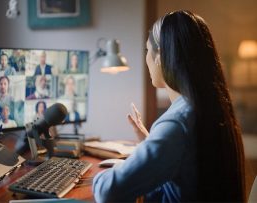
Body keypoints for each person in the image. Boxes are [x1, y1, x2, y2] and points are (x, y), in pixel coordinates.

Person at [92, 10, 246, 203]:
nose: (146, 58)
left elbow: (108, 191)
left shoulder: (177, 122)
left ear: (161, 55)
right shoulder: (209, 107)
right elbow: (187, 164)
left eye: (147, 50)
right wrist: (150, 141)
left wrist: (118, 168)